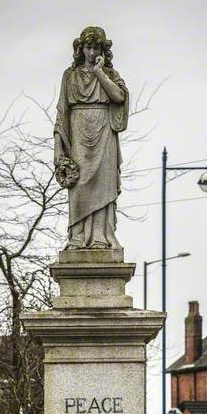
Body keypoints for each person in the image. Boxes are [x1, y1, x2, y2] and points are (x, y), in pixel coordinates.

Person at [54, 26, 129, 250]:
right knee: (79, 186)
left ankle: (100, 237)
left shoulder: (111, 75)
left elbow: (118, 97)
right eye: (88, 47)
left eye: (97, 47)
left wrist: (99, 73)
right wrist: (59, 148)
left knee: (103, 186)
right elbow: (61, 112)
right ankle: (77, 237)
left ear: (103, 50)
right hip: (78, 134)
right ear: (81, 48)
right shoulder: (70, 76)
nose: (92, 52)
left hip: (105, 134)